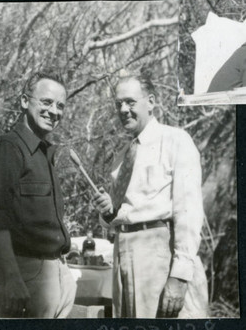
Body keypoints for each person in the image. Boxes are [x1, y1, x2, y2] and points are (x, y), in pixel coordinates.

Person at [93, 74, 209, 318]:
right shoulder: (122, 155)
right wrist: (107, 212)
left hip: (159, 256)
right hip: (123, 256)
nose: (123, 109)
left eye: (130, 102)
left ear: (151, 101)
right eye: (118, 104)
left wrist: (179, 276)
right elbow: (117, 215)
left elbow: (188, 212)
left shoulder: (176, 140)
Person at [0, 71, 77, 318]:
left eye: (60, 106)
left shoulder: (43, 154)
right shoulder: (6, 149)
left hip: (53, 273)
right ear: (24, 101)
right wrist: (12, 277)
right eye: (46, 102)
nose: (54, 111)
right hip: (22, 273)